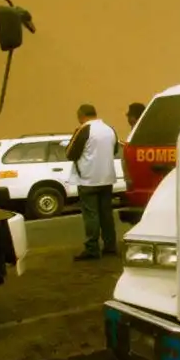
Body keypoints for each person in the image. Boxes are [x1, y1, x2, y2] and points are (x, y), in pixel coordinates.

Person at [66, 104, 120, 261]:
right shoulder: (110, 129)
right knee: (106, 214)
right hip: (107, 178)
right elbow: (115, 150)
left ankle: (92, 248)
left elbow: (70, 153)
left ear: (81, 115)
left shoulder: (84, 129)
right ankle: (110, 246)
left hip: (88, 179)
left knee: (91, 215)